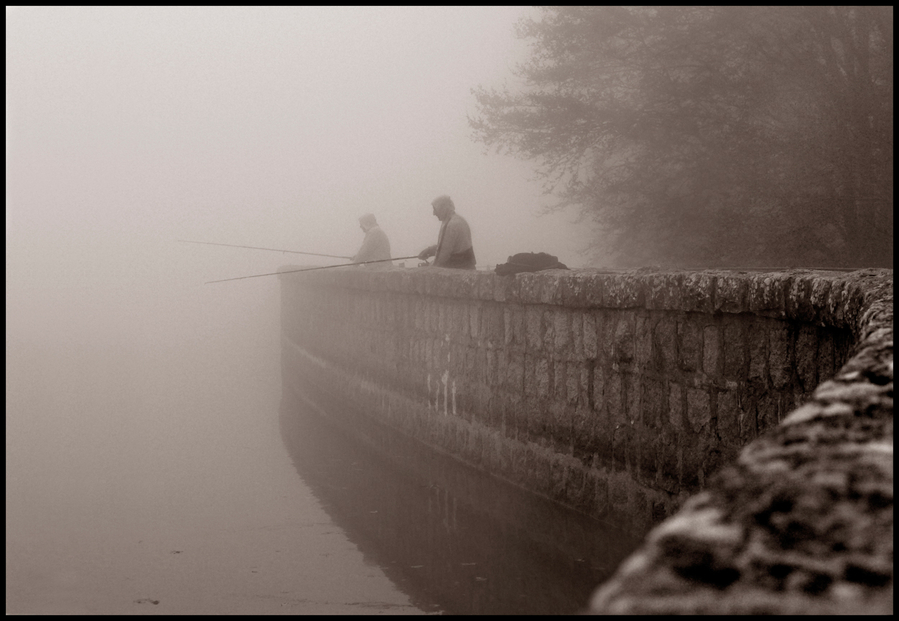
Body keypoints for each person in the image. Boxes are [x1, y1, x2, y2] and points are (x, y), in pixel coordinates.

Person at [417, 195, 476, 269]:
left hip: (458, 272)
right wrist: (430, 250)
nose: (434, 213)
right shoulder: (459, 220)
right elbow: (451, 247)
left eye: (435, 209)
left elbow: (442, 258)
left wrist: (428, 267)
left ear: (443, 208)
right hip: (468, 268)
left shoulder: (451, 225)